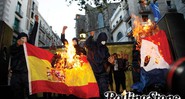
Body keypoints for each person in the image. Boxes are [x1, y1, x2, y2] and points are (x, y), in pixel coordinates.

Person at [9, 15, 39, 99]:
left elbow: (33, 35)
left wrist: (36, 23)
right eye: (22, 38)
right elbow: (11, 51)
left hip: (26, 74)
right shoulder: (14, 47)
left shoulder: (29, 47)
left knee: (31, 93)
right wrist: (17, 46)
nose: (23, 40)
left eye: (25, 38)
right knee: (16, 93)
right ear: (18, 39)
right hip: (16, 75)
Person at [85, 31, 113, 99]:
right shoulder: (93, 44)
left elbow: (107, 58)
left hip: (102, 72)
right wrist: (91, 36)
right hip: (92, 72)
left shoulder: (105, 48)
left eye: (105, 40)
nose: (103, 42)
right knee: (94, 91)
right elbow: (86, 43)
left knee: (104, 90)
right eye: (102, 40)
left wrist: (110, 61)